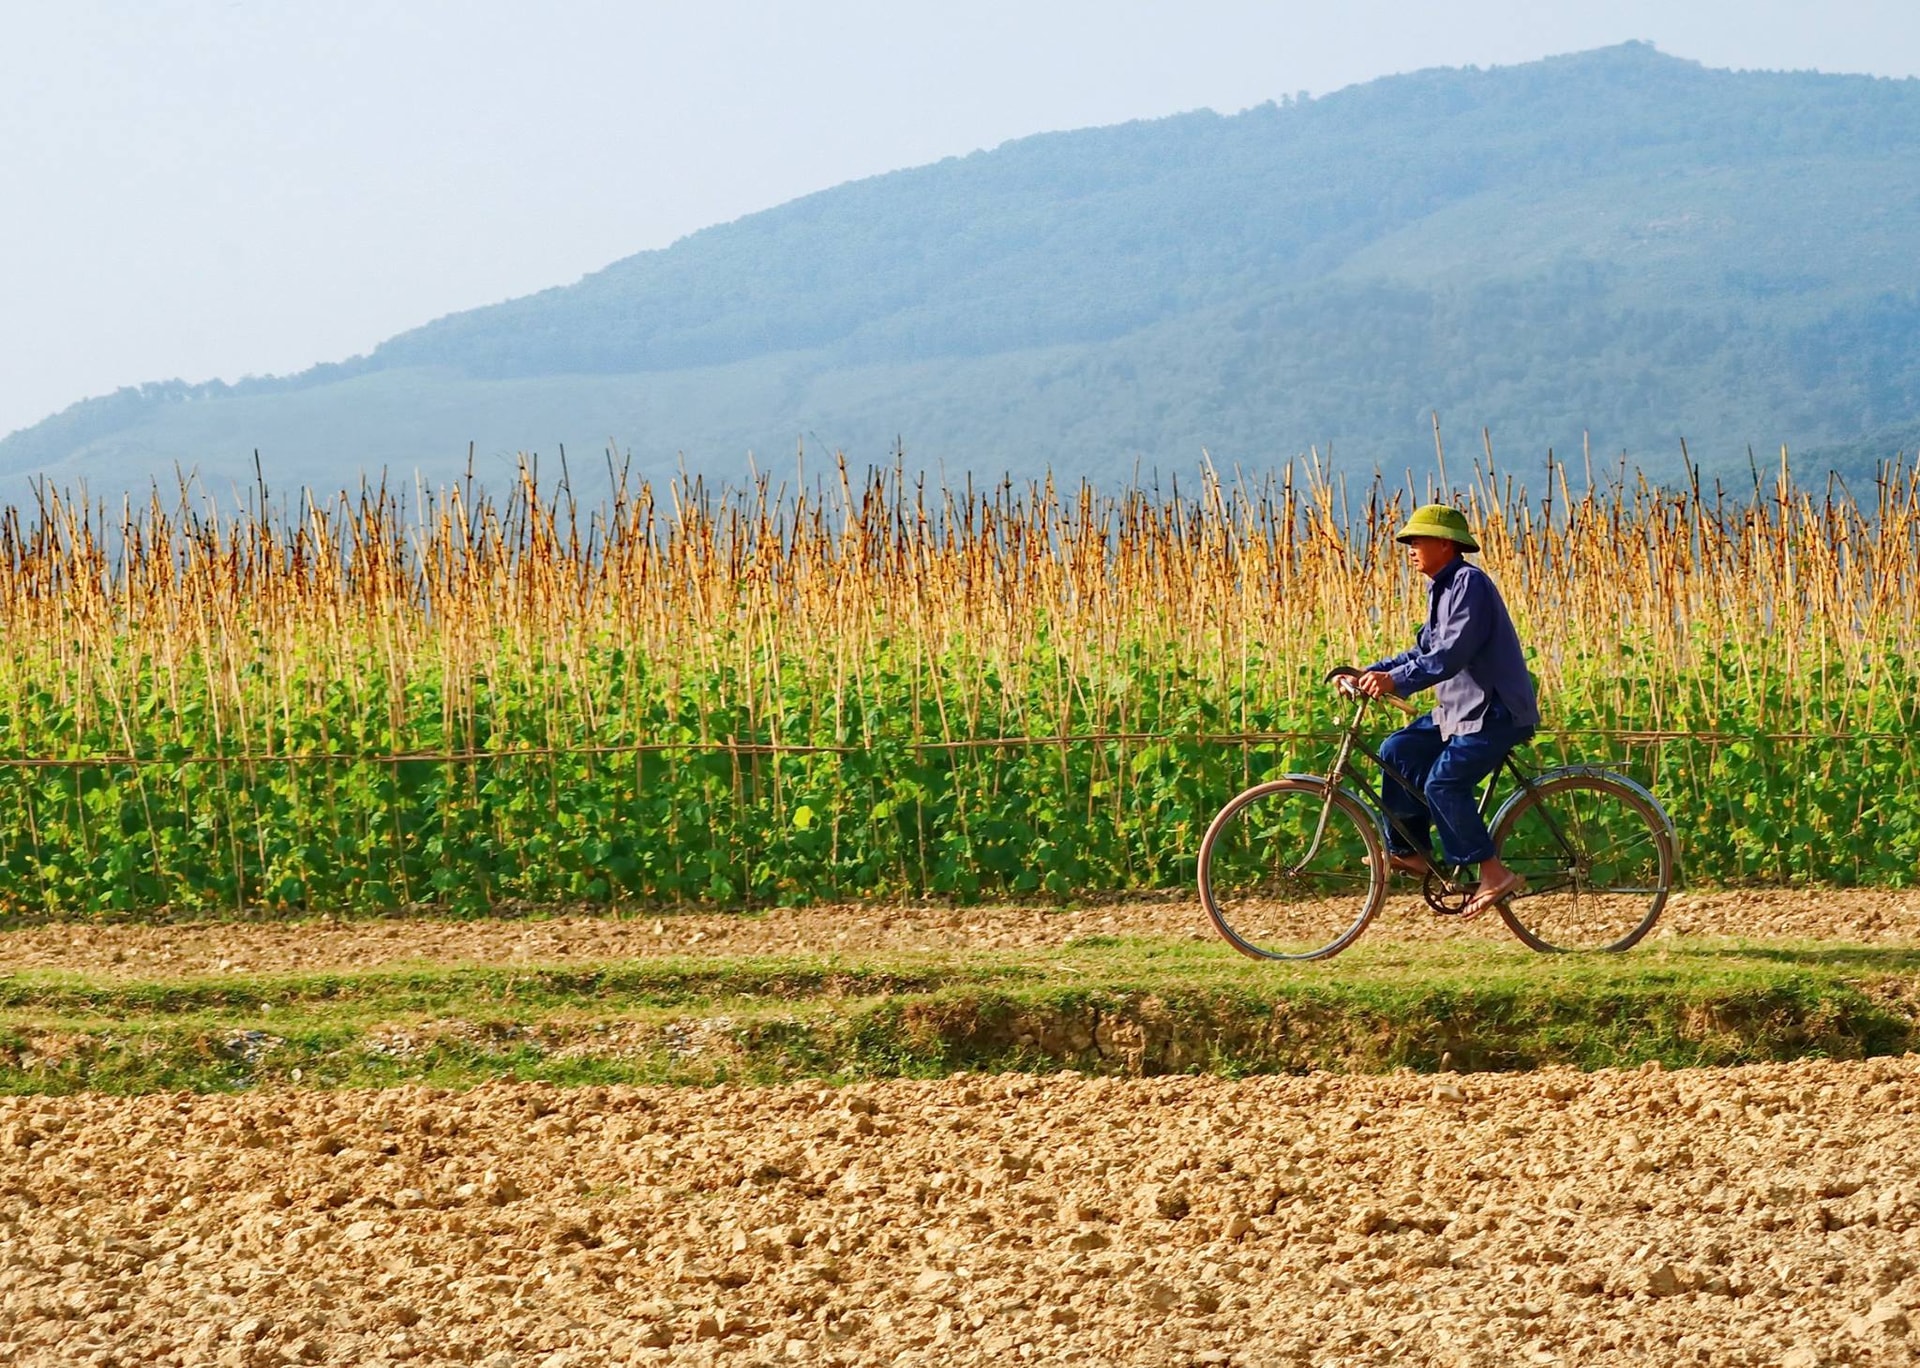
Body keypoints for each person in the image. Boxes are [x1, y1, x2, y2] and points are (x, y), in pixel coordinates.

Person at [1349, 504, 1540, 917]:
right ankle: (1410, 850)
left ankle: (1493, 873)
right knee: (1398, 749)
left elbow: (1449, 656)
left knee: (1444, 784)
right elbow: (1424, 650)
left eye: (1417, 540)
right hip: (1459, 711)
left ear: (1445, 544)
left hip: (1494, 712)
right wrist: (1373, 671)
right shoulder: (1442, 587)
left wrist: (1396, 681)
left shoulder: (1469, 584)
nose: (1411, 549)